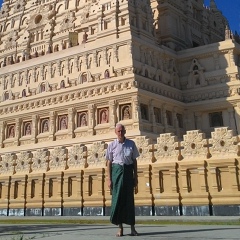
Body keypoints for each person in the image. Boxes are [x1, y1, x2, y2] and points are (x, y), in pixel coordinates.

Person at [105, 123, 139, 237]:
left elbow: (134, 161)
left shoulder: (131, 144)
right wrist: (109, 179)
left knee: (129, 200)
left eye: (122, 131)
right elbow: (109, 163)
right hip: (117, 173)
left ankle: (132, 228)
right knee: (118, 200)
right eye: (118, 131)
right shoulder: (112, 145)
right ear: (115, 132)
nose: (120, 133)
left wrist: (136, 178)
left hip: (128, 172)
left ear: (125, 131)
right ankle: (120, 228)